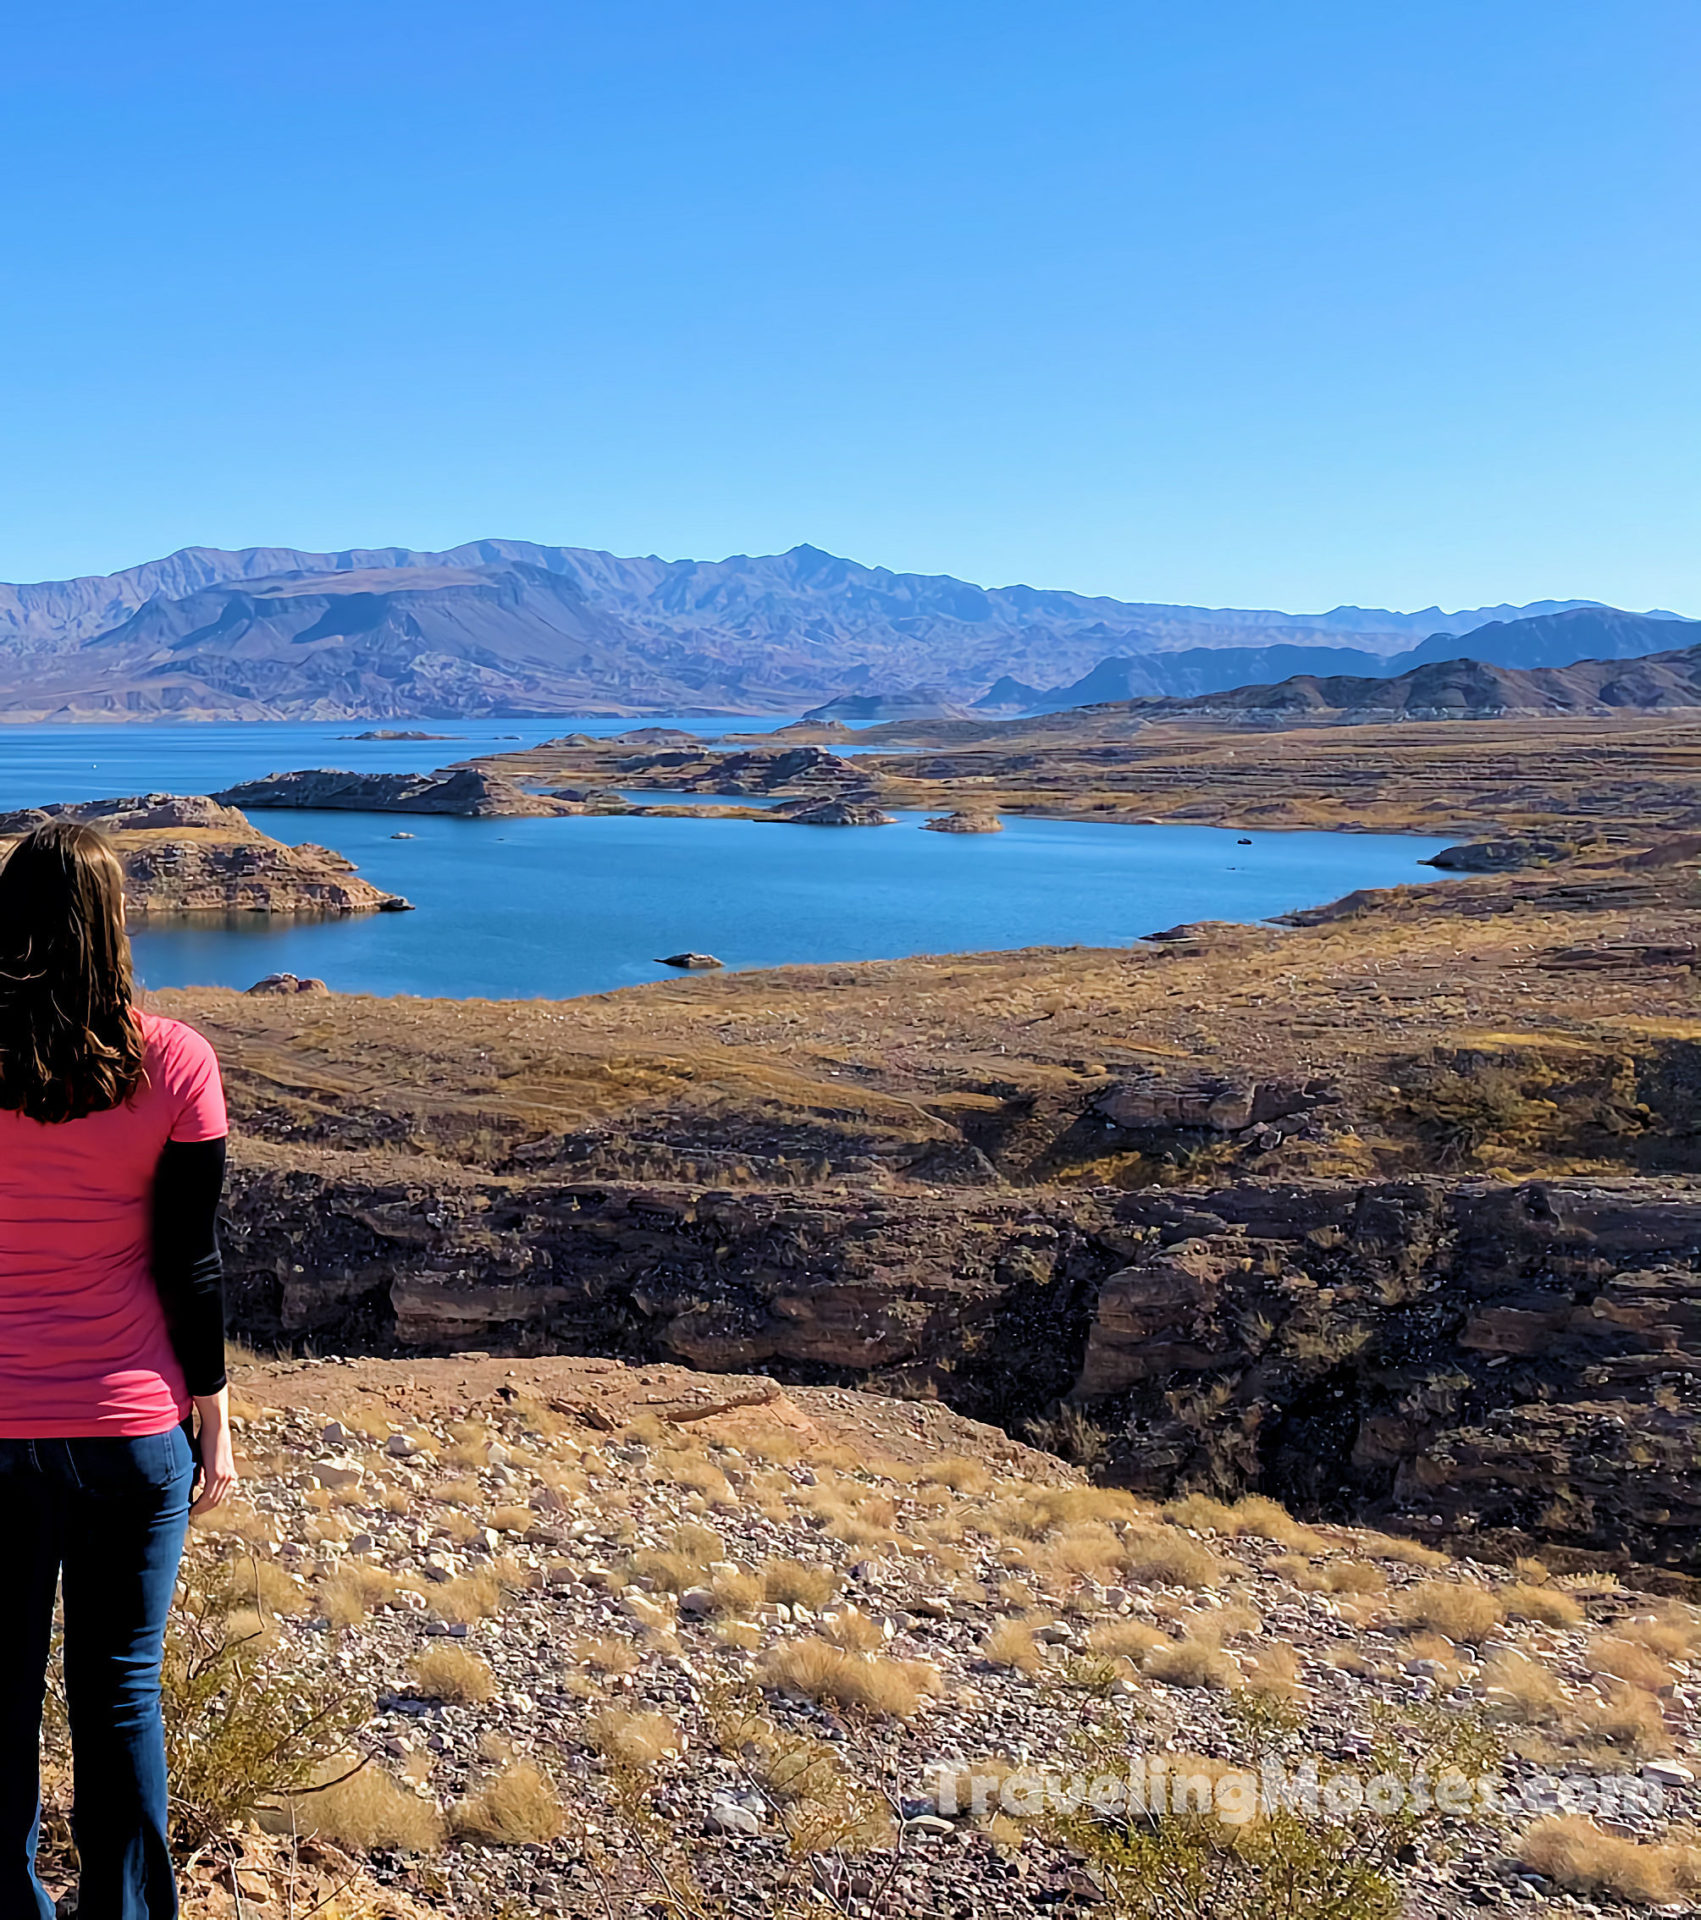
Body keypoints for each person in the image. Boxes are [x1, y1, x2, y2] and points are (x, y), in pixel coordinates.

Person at [0, 820, 235, 1920]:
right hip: (129, 1423)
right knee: (119, 1693)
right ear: (115, 927)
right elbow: (192, 1260)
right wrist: (214, 1416)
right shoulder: (176, 1060)